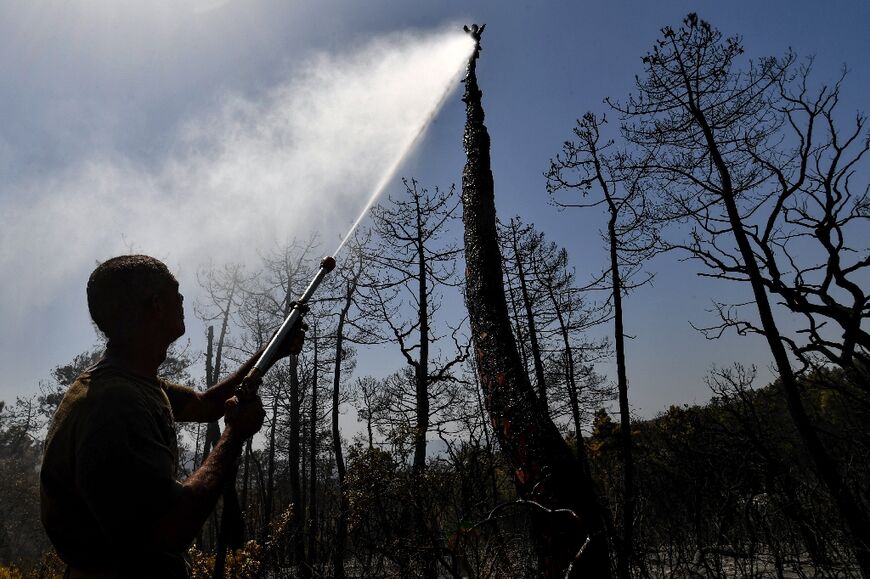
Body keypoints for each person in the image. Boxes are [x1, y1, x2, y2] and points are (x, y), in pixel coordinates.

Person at [40, 255, 304, 578]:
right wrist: (235, 434)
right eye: (175, 292)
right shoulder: (115, 406)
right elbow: (172, 526)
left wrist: (271, 351)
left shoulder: (132, 379)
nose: (182, 300)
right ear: (156, 306)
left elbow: (205, 405)